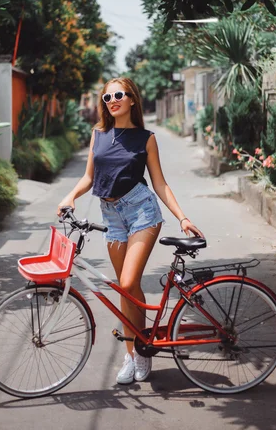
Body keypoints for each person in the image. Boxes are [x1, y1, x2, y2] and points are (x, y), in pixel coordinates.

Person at [57, 77, 203, 385]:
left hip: (141, 212)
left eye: (119, 95)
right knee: (127, 289)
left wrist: (182, 217)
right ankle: (134, 352)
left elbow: (160, 183)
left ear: (132, 99)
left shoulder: (146, 138)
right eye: (107, 96)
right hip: (112, 215)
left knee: (127, 281)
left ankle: (140, 354)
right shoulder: (98, 135)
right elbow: (88, 177)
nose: (113, 100)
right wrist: (70, 196)